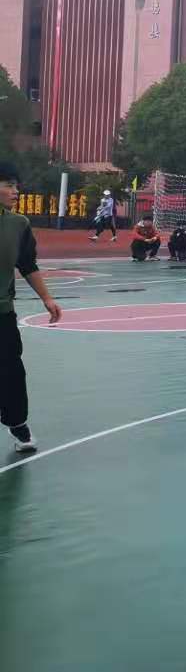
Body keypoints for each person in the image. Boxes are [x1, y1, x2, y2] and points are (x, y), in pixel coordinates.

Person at [0, 162, 63, 455]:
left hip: (2, 313)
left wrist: (47, 299)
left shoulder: (18, 225)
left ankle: (17, 423)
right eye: (9, 185)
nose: (16, 191)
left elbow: (27, 264)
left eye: (16, 185)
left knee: (12, 371)